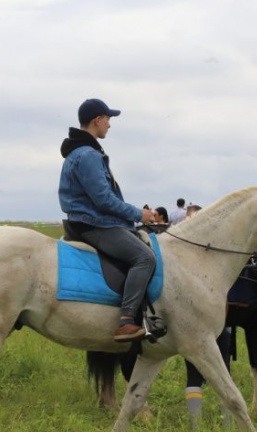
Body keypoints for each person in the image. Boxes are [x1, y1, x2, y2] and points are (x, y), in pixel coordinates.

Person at [59, 98, 158, 342]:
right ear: (97, 120)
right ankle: (126, 321)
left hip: (90, 221)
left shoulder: (80, 153)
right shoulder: (88, 155)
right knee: (145, 258)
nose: (110, 125)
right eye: (108, 120)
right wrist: (139, 214)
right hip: (94, 225)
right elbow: (103, 200)